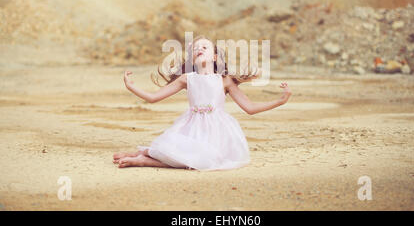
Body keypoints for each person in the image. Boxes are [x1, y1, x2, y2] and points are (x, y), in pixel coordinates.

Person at [113, 35, 292, 171]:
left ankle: (143, 157)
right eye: (195, 48)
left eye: (204, 47)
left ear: (214, 57)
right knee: (180, 154)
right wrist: (131, 87)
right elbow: (153, 98)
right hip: (191, 127)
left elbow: (250, 108)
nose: (199, 49)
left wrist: (280, 100)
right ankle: (142, 155)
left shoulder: (225, 80)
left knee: (201, 162)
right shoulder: (186, 78)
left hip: (217, 132)